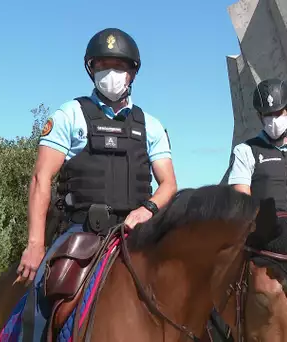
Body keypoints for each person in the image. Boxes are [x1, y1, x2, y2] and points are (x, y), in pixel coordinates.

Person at [15, 27, 178, 340]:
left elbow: (168, 184)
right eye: (103, 66)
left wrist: (148, 208)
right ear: (91, 70)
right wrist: (35, 244)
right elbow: (41, 178)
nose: (111, 73)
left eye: (119, 67)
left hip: (137, 232)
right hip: (83, 231)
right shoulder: (69, 115)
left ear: (133, 72)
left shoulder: (151, 126)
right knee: (41, 293)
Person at [227, 78, 287, 217]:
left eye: (278, 113)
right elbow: (243, 204)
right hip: (262, 236)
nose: (273, 120)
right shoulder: (245, 151)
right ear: (259, 116)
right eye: (267, 115)